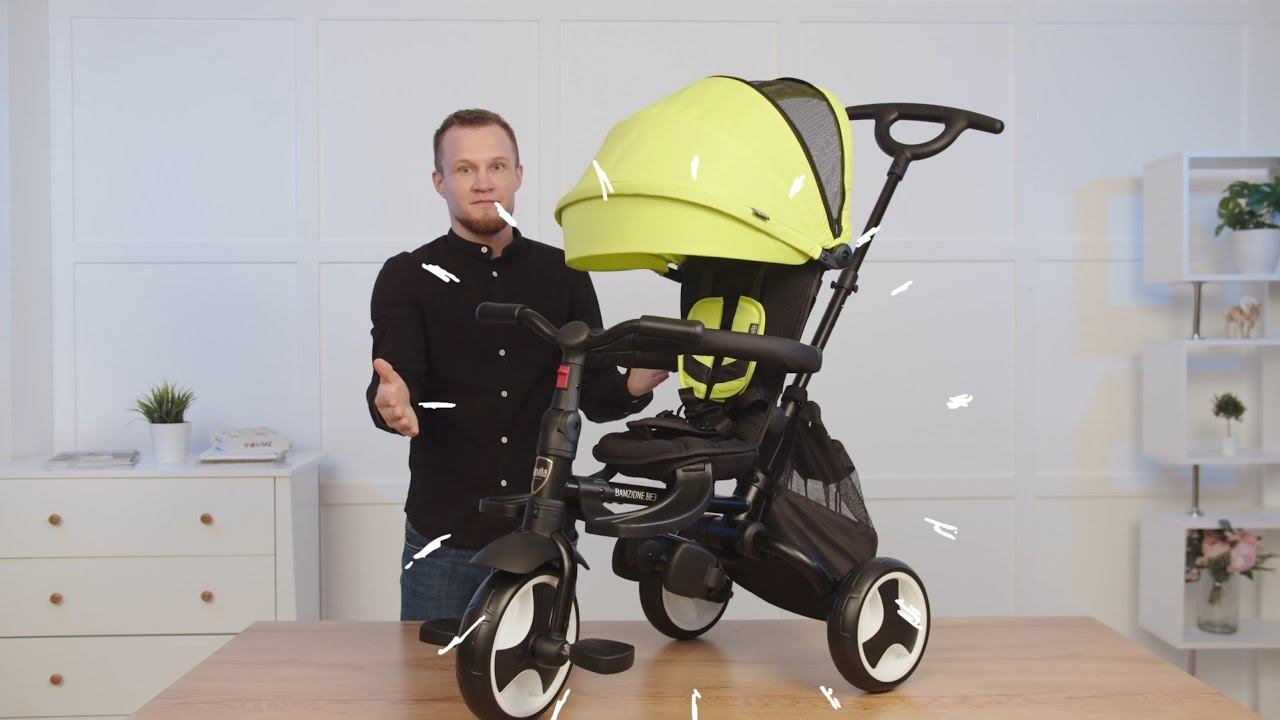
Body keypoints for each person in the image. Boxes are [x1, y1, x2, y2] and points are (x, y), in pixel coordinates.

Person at [366, 108, 669, 622]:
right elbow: (396, 383)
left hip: (543, 534)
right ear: (440, 182)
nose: (483, 182)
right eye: (465, 169)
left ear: (518, 176)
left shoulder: (565, 272)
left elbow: (595, 395)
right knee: (428, 677)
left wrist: (634, 385)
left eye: (497, 166)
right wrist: (392, 406)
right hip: (444, 542)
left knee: (540, 671)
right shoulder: (408, 276)